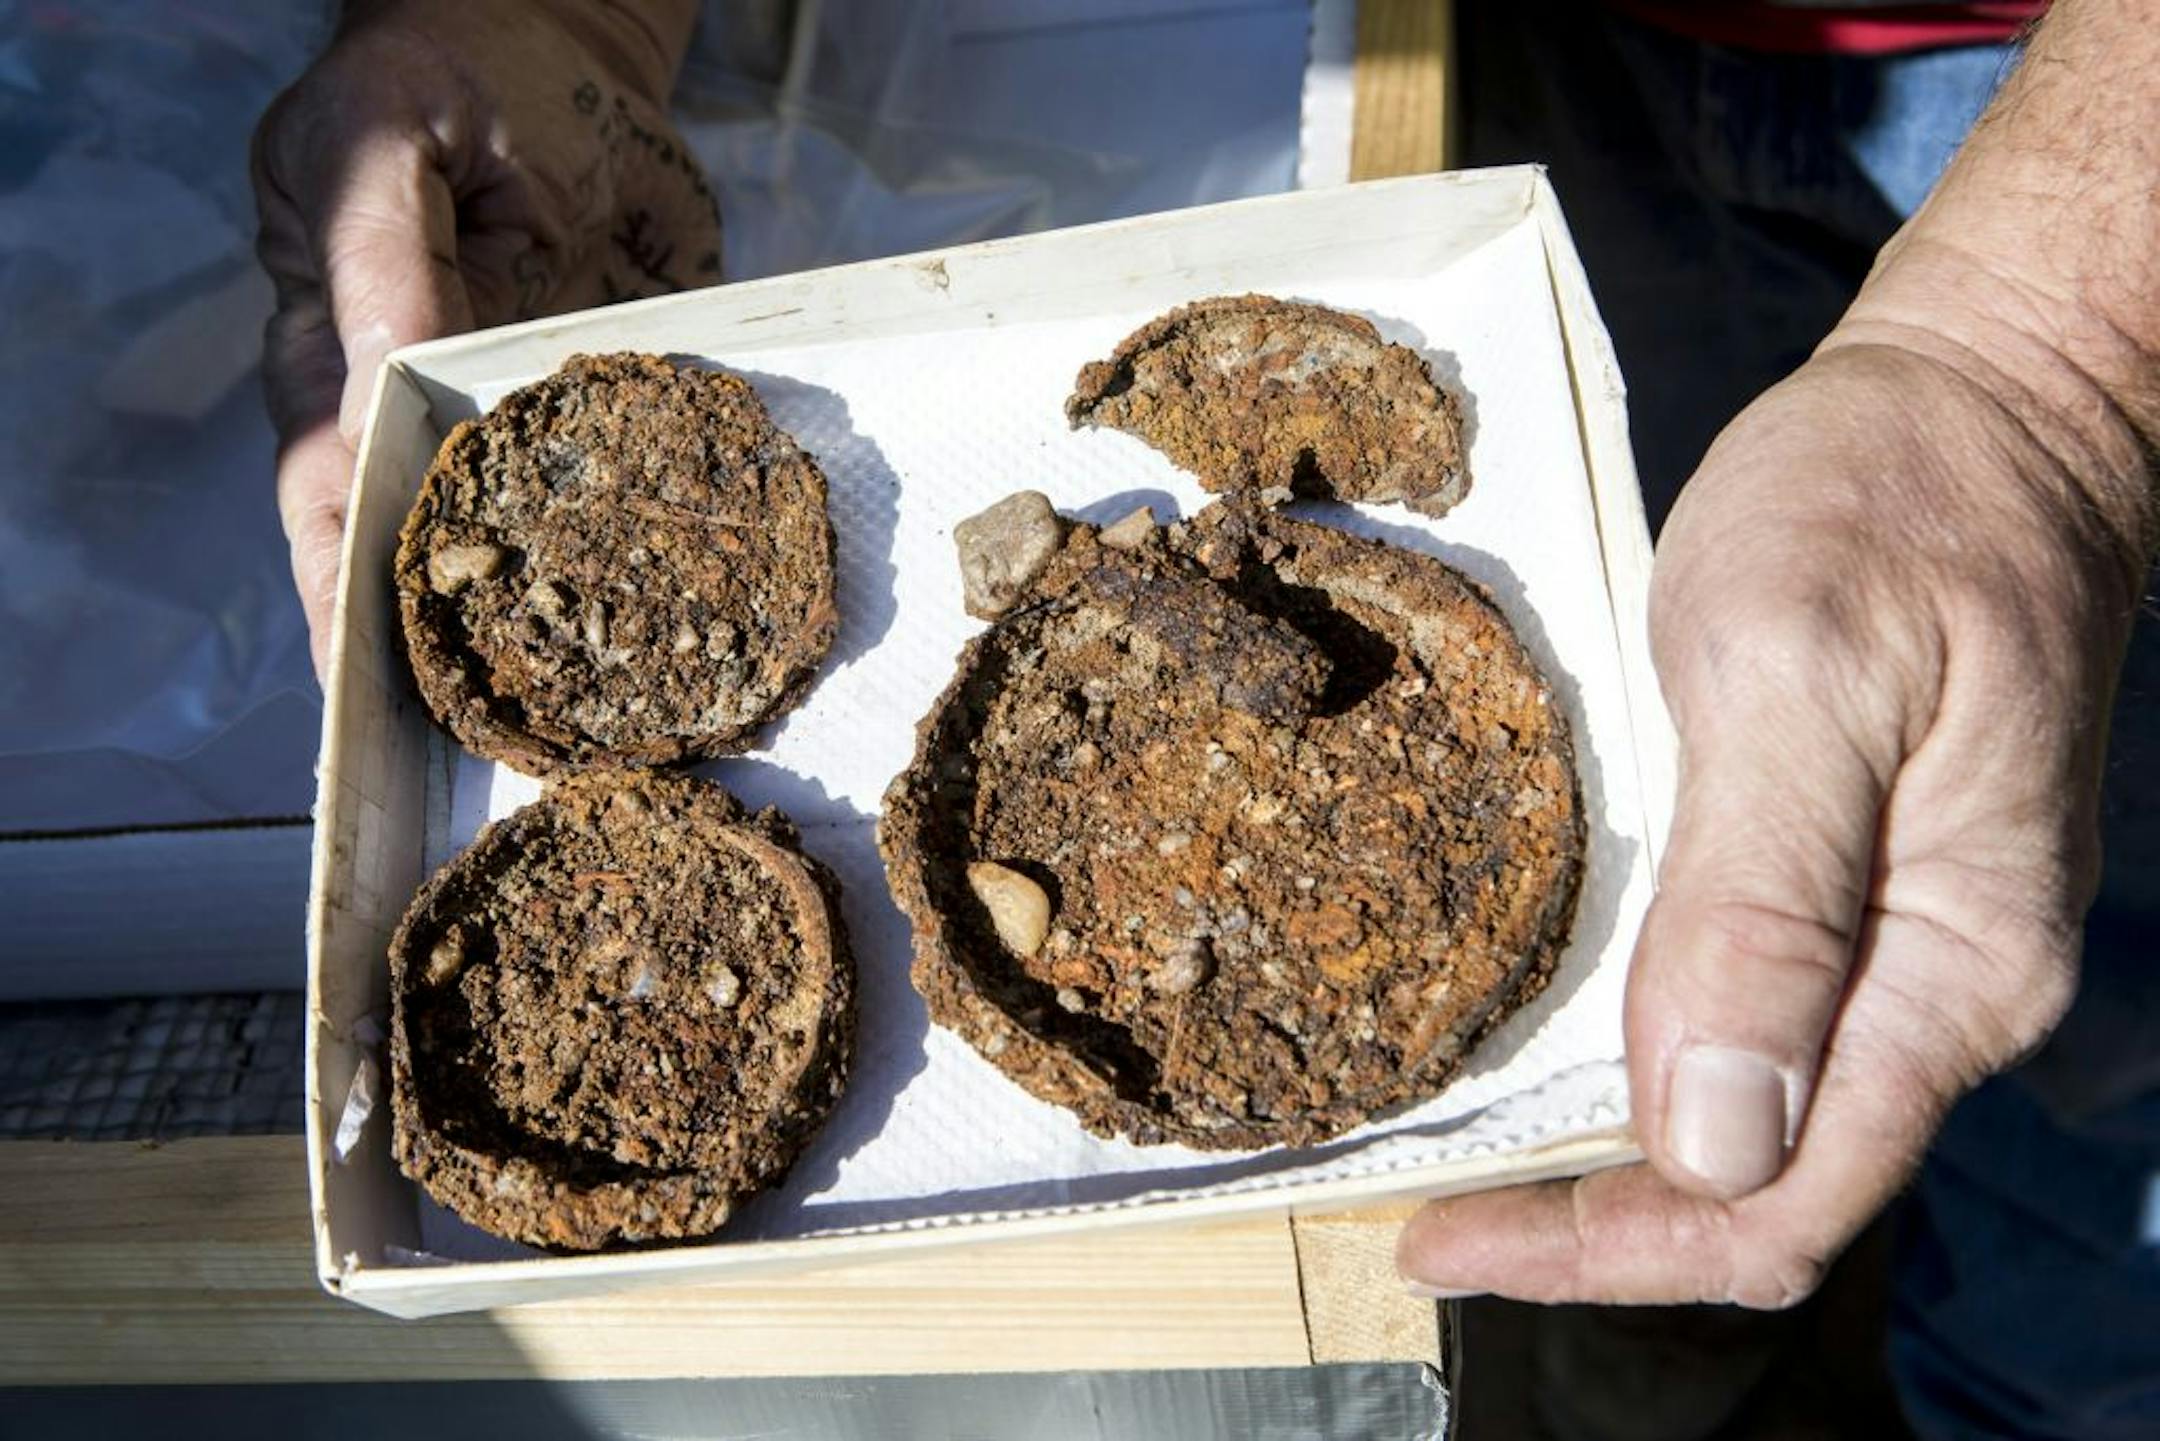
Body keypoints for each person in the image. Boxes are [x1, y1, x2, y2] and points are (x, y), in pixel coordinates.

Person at [253, 2, 2157, 1434]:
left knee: (2036, 964)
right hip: (1564, 42)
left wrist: (2040, 360)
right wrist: (562, 21)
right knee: (1710, 979)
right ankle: (1645, 1360)